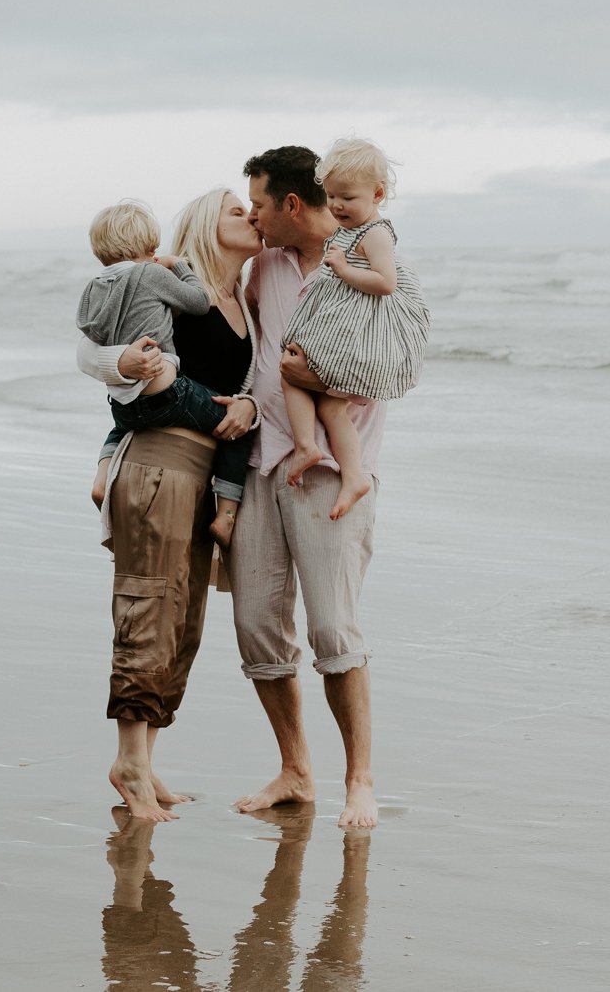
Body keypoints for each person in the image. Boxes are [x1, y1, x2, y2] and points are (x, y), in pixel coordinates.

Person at [76, 189, 263, 822]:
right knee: (149, 607)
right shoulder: (170, 284)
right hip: (159, 464)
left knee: (183, 621)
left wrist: (249, 406)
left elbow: (249, 390)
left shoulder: (247, 301)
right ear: (209, 225)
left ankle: (143, 763)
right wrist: (108, 447)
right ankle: (129, 761)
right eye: (238, 209)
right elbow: (106, 359)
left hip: (203, 473)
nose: (252, 217)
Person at [230, 145, 392, 829]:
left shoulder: (360, 257)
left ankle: (360, 780)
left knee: (332, 627)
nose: (255, 216)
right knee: (257, 627)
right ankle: (297, 768)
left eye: (261, 204)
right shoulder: (263, 268)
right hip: (264, 461)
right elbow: (251, 349)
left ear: (292, 204)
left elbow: (392, 360)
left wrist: (313, 383)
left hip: (330, 471)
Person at [78, 199, 251, 546]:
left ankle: (101, 481)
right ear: (150, 245)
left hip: (124, 401)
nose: (249, 215)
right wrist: (182, 267)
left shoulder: (95, 287)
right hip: (169, 400)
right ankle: (227, 514)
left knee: (123, 421)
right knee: (238, 425)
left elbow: (87, 329)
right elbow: (198, 302)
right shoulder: (155, 274)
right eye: (237, 210)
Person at [277, 137, 429, 521]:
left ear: (377, 194)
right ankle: (345, 470)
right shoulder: (348, 229)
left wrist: (344, 269)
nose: (337, 206)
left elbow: (386, 282)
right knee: (326, 402)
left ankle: (318, 453)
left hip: (356, 334)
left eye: (347, 197)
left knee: (298, 379)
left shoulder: (376, 233)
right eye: (330, 196)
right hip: (340, 324)